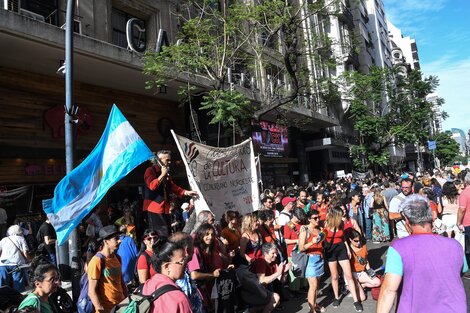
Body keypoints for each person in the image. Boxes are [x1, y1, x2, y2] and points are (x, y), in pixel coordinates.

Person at [377, 195, 467, 313]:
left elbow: (388, 290)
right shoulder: (455, 245)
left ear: (407, 221)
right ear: (432, 217)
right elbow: (461, 270)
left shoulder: (398, 248)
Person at [143, 150, 198, 237]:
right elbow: (152, 186)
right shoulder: (150, 170)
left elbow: (172, 186)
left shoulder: (166, 172)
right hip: (154, 208)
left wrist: (185, 192)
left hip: (165, 207)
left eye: (170, 160)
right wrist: (162, 174)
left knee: (167, 232)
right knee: (158, 235)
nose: (169, 162)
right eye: (167, 160)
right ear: (159, 160)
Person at [324, 206, 362, 312]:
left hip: (341, 249)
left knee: (349, 275)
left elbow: (343, 237)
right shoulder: (326, 224)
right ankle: (336, 297)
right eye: (340, 215)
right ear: (336, 215)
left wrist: (348, 249)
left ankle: (356, 301)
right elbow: (322, 237)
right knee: (335, 276)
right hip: (331, 251)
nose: (343, 216)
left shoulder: (341, 223)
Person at [142, 238, 193, 313]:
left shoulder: (144, 287)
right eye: (182, 261)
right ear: (167, 267)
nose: (186, 264)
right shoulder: (179, 299)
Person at [87, 225, 127, 313]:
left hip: (121, 306)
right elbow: (91, 291)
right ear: (106, 241)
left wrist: (127, 299)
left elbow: (121, 281)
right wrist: (100, 309)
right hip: (106, 309)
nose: (119, 241)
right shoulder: (97, 261)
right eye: (116, 238)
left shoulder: (117, 257)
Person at [187, 223, 226, 310]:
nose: (210, 237)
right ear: (201, 235)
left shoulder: (204, 250)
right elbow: (194, 275)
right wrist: (213, 274)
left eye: (212, 234)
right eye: (207, 234)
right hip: (197, 292)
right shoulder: (195, 250)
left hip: (204, 289)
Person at [250, 242, 291, 313]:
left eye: (276, 253)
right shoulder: (261, 262)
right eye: (273, 253)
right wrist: (278, 272)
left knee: (276, 302)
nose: (275, 255)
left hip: (262, 289)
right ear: (266, 254)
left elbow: (281, 281)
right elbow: (261, 281)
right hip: (252, 290)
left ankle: (251, 310)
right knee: (276, 298)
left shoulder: (273, 262)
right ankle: (251, 309)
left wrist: (284, 272)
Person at [298, 210, 325, 313]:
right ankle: (312, 310)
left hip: (320, 258)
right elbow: (301, 248)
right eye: (315, 218)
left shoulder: (319, 229)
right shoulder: (305, 230)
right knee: (313, 286)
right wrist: (311, 243)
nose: (318, 219)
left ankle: (314, 304)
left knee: (317, 286)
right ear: (309, 219)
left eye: (318, 217)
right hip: (311, 260)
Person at [170, 232, 204, 313]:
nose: (194, 249)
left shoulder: (182, 270)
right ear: (186, 250)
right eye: (192, 245)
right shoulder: (179, 276)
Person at [347, 230, 381, 302]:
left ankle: (361, 286)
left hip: (361, 273)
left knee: (377, 282)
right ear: (350, 239)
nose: (358, 242)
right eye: (356, 241)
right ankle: (352, 286)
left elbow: (366, 261)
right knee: (362, 298)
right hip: (352, 274)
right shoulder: (348, 250)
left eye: (359, 240)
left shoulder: (363, 247)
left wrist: (369, 270)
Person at [0, 224, 29, 291]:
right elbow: (25, 252)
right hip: (16, 263)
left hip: (3, 263)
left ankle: (2, 297)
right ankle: (18, 297)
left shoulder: (3, 239)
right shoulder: (21, 239)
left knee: (3, 283)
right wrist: (27, 260)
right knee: (18, 282)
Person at [457, 172, 470, 278]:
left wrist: (458, 222)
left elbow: (462, 209)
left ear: (465, 181)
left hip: (468, 222)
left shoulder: (465, 193)